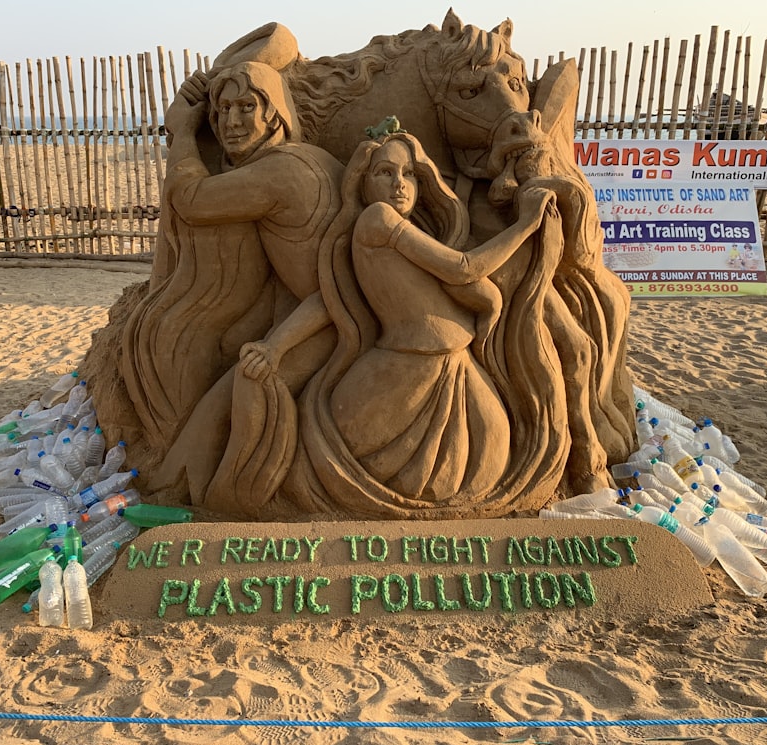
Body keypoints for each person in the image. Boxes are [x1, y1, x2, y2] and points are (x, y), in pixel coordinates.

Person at [277, 131, 559, 515]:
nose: (399, 184)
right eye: (384, 173)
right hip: (409, 370)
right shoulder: (377, 219)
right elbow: (464, 268)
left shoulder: (407, 231)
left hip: (454, 368)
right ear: (363, 180)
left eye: (409, 173)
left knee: (490, 457)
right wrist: (525, 225)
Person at [118, 61, 343, 508]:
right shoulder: (308, 157)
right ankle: (179, 488)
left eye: (246, 107)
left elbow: (190, 199)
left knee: (242, 392)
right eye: (222, 111)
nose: (232, 122)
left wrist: (183, 131)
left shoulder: (281, 172)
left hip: (328, 316)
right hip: (320, 306)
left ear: (275, 114)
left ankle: (227, 504)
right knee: (207, 416)